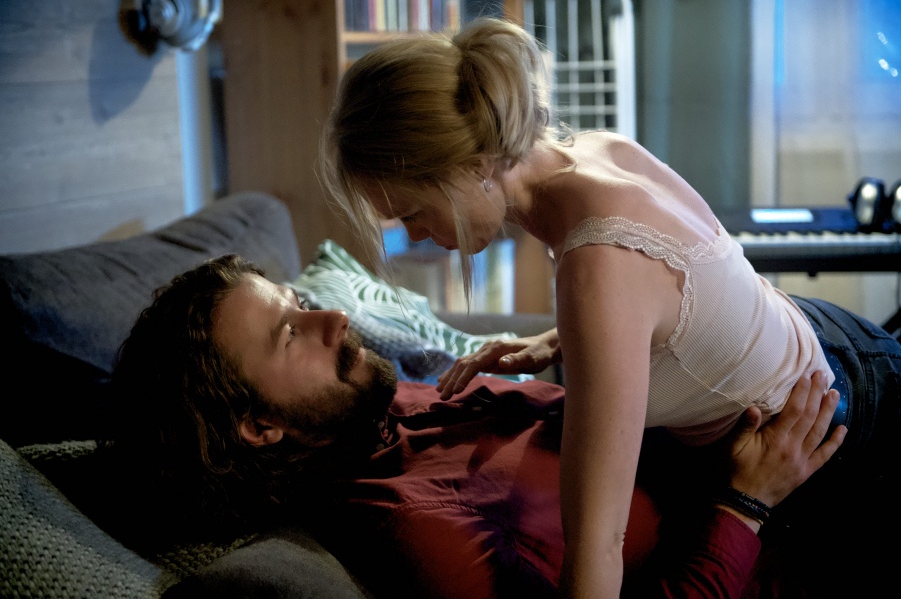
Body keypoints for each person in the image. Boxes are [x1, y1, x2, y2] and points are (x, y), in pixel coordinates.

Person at [317, 16, 901, 598]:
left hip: (827, 431)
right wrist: (556, 341)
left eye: (413, 212)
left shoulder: (600, 265)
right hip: (829, 339)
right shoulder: (592, 153)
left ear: (473, 166)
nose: (416, 235)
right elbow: (679, 301)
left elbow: (598, 547)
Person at [102, 254, 846, 599]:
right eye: (290, 334)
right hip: (804, 534)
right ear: (259, 427)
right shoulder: (419, 528)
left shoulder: (386, 408)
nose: (332, 318)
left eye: (298, 300)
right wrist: (745, 505)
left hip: (759, 436)